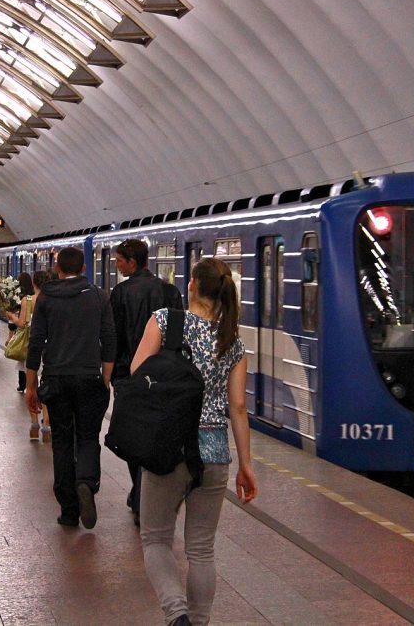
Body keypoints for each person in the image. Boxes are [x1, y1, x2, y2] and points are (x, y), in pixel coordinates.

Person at [133, 257, 257, 626]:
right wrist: (247, 466)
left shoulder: (165, 320)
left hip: (167, 448)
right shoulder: (232, 342)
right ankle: (198, 622)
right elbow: (237, 408)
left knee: (155, 540)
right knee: (202, 550)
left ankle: (177, 615)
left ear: (191, 286)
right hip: (215, 454)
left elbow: (138, 374)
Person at [25, 247, 116, 529]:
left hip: (56, 379)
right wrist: (105, 378)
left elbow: (36, 342)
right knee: (88, 437)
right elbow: (109, 340)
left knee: (62, 441)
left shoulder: (46, 298)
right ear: (85, 268)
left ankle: (68, 510)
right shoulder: (99, 296)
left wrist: (31, 386)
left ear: (57, 267)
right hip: (89, 377)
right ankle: (87, 482)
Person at [110, 238, 184, 525]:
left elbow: (114, 337)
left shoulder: (120, 293)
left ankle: (140, 492)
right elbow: (177, 335)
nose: (116, 266)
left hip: (130, 374)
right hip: (166, 375)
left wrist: (110, 374)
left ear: (132, 261)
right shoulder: (170, 292)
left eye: (119, 261)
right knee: (159, 432)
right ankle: (144, 493)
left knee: (133, 433)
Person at [7, 271, 52, 442]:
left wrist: (12, 316)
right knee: (46, 387)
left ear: (34, 283)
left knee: (31, 387)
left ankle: (34, 424)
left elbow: (22, 323)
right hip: (49, 349)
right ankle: (47, 424)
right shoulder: (52, 300)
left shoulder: (28, 300)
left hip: (31, 347)